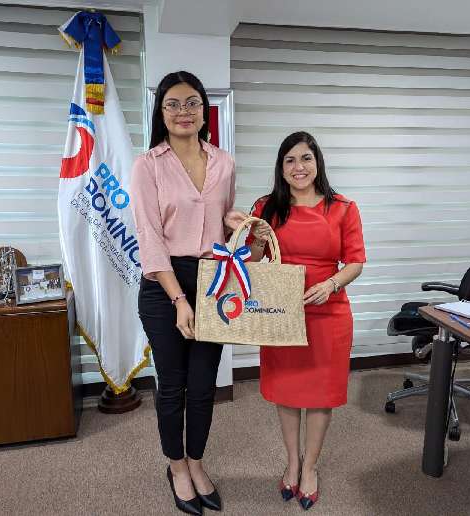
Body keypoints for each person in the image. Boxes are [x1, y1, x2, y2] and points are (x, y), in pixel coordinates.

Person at [130, 71, 247, 515]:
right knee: (172, 385)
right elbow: (149, 237)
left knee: (203, 385)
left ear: (204, 110)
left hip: (212, 279)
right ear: (160, 112)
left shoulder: (224, 162)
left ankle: (196, 462)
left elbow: (223, 225)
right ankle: (176, 467)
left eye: (192, 102)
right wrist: (180, 300)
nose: (184, 111)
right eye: (173, 104)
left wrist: (235, 225)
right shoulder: (148, 165)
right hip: (164, 286)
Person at [246, 131, 366, 511]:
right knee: (287, 390)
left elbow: (356, 262)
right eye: (290, 160)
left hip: (328, 312)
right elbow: (252, 260)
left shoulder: (343, 208)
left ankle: (310, 466)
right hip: (282, 311)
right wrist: (258, 239)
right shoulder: (266, 206)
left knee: (319, 394)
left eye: (306, 158)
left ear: (317, 163)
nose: (299, 167)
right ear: (281, 168)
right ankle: (292, 463)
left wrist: (330, 284)